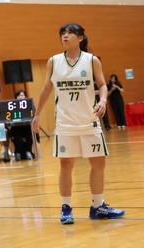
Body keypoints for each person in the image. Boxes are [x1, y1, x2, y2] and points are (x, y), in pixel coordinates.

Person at [31, 23, 126, 225]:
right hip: (65, 123)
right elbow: (46, 89)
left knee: (98, 163)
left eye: (70, 33)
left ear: (80, 38)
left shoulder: (91, 60)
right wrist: (37, 114)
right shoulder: (53, 61)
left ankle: (98, 206)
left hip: (89, 121)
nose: (65, 36)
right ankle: (66, 208)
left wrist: (103, 100)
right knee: (66, 165)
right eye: (63, 33)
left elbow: (102, 85)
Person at [8, 89, 35, 160]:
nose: (20, 97)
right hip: (16, 128)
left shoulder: (30, 104)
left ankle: (28, 151)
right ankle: (17, 152)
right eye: (19, 96)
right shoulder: (12, 106)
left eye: (22, 95)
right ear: (16, 97)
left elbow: (34, 114)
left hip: (27, 126)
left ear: (25, 96)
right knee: (16, 136)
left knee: (30, 134)